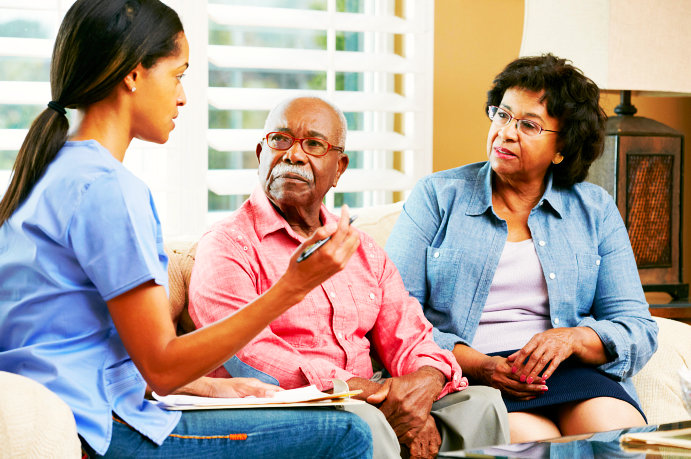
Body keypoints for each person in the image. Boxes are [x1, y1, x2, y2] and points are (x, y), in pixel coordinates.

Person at [0, 1, 373, 457]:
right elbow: (161, 366)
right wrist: (293, 286)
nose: (182, 96)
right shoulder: (108, 189)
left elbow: (80, 343)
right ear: (134, 74)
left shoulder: (45, 173)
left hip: (65, 409)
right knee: (349, 434)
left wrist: (211, 389)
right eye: (178, 75)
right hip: (95, 430)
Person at [188, 96, 510, 459]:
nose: (293, 155)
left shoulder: (362, 249)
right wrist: (353, 391)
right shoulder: (228, 244)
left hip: (366, 395)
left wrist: (425, 382)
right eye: (280, 139)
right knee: (363, 422)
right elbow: (246, 352)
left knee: (481, 403)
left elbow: (409, 333)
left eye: (313, 144)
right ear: (259, 154)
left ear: (339, 167)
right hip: (284, 404)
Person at [385, 54, 658, 443]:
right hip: (472, 376)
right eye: (502, 115)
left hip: (569, 372)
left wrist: (573, 338)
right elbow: (393, 318)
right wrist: (480, 366)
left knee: (615, 435)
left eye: (529, 125)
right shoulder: (437, 196)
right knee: (534, 443)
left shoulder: (594, 209)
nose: (505, 133)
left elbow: (638, 327)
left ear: (562, 148)